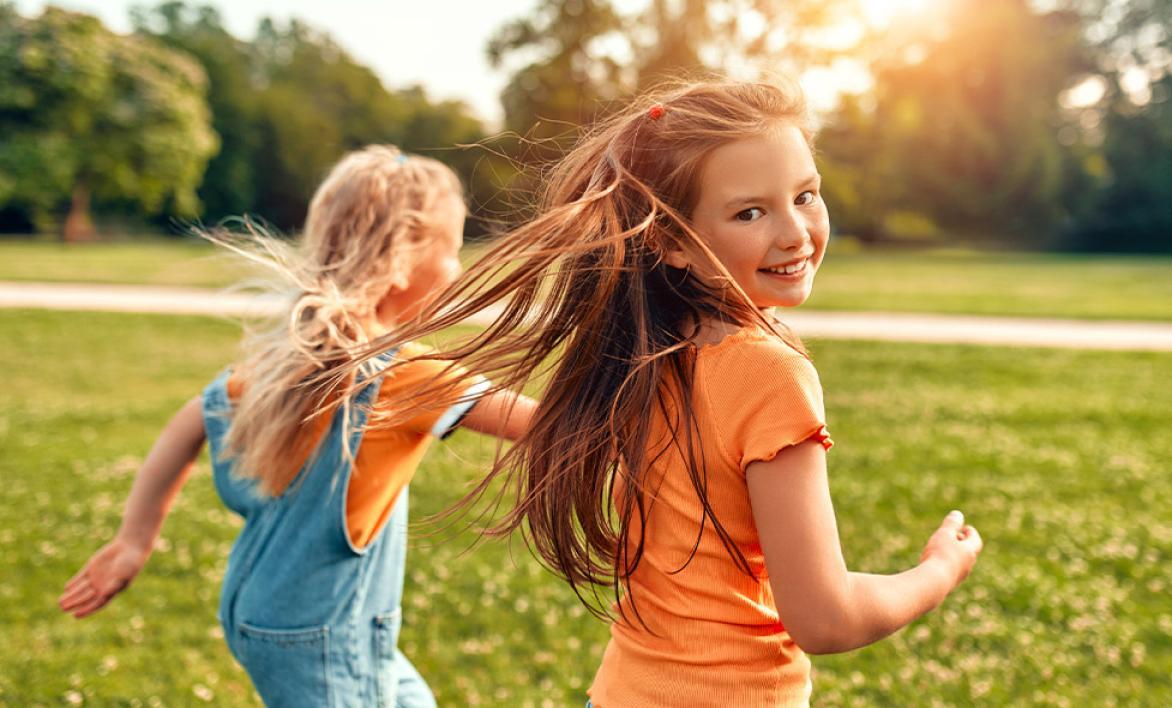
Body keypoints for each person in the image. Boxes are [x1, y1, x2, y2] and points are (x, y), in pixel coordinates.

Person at [338, 81, 985, 706]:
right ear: (670, 241)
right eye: (750, 211)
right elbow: (825, 619)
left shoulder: (645, 347)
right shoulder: (770, 374)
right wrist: (936, 572)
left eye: (806, 195)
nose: (795, 233)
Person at [59, 145, 535, 707]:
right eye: (452, 250)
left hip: (274, 617)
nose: (459, 267)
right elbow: (546, 424)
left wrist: (133, 540)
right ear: (403, 261)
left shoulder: (285, 362)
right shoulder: (405, 376)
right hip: (323, 636)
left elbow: (184, 427)